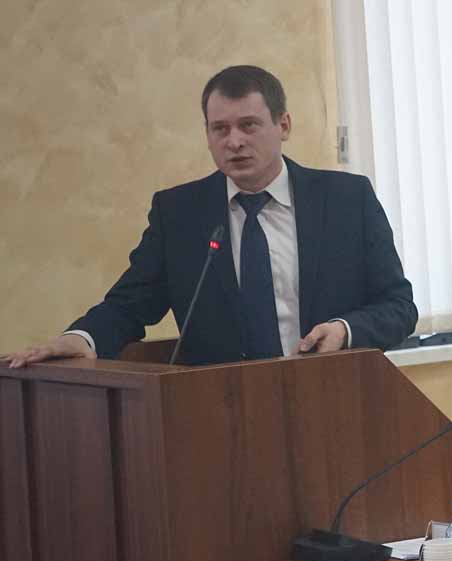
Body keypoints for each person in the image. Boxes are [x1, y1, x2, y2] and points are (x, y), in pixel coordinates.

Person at [5, 65, 416, 367]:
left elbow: (398, 306)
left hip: (334, 400)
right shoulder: (180, 214)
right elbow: (129, 305)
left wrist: (344, 330)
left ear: (284, 125)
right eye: (220, 129)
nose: (234, 141)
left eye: (249, 125)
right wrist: (82, 337)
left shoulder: (346, 199)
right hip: (219, 413)